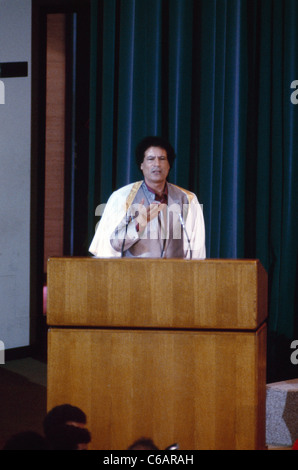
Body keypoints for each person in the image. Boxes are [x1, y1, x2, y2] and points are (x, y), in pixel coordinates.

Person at [89, 136, 206, 259]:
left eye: (162, 159)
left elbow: (196, 250)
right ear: (141, 165)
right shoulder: (122, 197)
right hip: (135, 274)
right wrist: (138, 224)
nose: (157, 164)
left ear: (169, 165)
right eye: (150, 159)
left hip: (174, 275)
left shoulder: (187, 199)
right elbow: (110, 247)